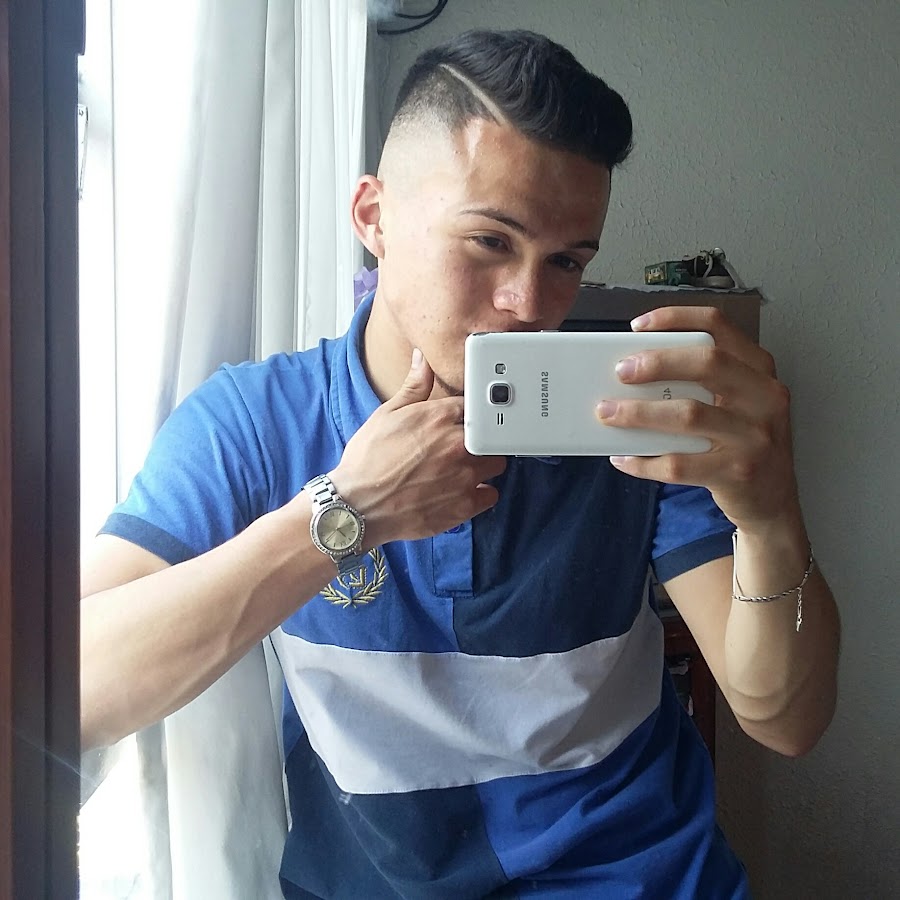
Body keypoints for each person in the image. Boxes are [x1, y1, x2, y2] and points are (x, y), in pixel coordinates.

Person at [80, 29, 840, 899]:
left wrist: (771, 517)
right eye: (489, 241)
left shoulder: (624, 409)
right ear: (374, 217)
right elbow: (73, 690)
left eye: (566, 261)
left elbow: (785, 721)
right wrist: (341, 516)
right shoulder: (257, 423)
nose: (529, 304)